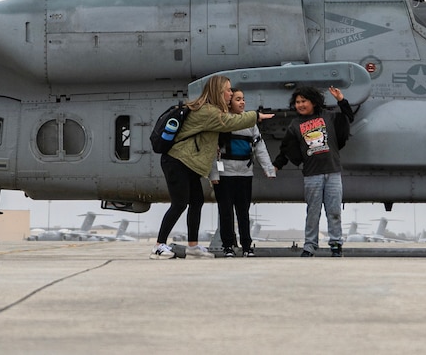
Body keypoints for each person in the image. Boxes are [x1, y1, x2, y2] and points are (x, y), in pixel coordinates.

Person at [155, 75, 272, 259]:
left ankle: (193, 246)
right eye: (228, 90)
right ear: (219, 92)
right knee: (180, 203)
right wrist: (256, 116)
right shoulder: (209, 112)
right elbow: (231, 122)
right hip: (177, 161)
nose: (231, 93)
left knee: (196, 202)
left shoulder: (211, 110)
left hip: (189, 163)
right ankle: (159, 245)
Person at [279, 84, 362, 257]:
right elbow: (286, 148)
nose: (300, 105)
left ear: (314, 102)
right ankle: (310, 246)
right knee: (313, 213)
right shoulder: (295, 125)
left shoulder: (328, 117)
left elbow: (348, 117)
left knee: (334, 211)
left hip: (333, 172)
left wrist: (341, 100)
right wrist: (276, 165)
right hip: (312, 175)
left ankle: (336, 244)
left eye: (304, 101)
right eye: (297, 102)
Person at [212, 84, 275, 256]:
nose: (242, 103)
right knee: (225, 212)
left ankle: (247, 246)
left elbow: (259, 147)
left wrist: (268, 169)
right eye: (238, 99)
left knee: (243, 213)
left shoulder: (250, 123)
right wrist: (214, 174)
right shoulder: (222, 121)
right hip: (225, 174)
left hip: (245, 175)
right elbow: (212, 150)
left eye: (243, 99)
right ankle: (228, 246)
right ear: (229, 102)